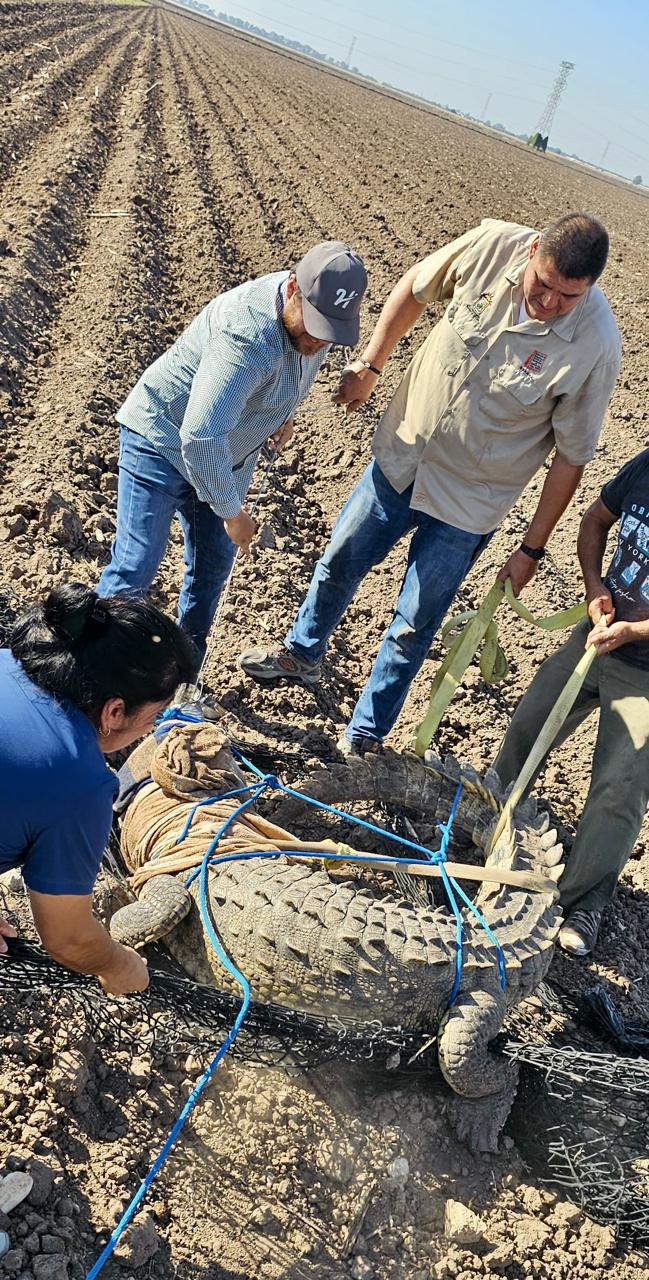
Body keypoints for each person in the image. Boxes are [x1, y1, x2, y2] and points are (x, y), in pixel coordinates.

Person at [239, 214, 621, 754]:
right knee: (339, 563)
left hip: (468, 504)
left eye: (569, 296)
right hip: (403, 454)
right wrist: (372, 364)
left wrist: (532, 548)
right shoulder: (491, 245)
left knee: (413, 625)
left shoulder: (596, 345)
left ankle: (365, 737)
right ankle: (300, 654)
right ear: (534, 249)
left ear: (590, 288)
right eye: (544, 283)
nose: (550, 302)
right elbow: (414, 287)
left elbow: (571, 457)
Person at [98, 242, 368, 659]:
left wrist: (282, 412)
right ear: (293, 288)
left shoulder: (315, 319)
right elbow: (201, 437)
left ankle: (183, 676)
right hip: (162, 437)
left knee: (211, 570)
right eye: (314, 325)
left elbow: (293, 366)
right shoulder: (248, 334)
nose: (319, 340)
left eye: (330, 331)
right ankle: (90, 674)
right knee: (136, 567)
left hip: (224, 453)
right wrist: (233, 514)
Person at [0, 583, 196, 992]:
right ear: (115, 710)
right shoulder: (80, 782)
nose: (152, 730)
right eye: (155, 716)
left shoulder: (7, 663)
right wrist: (119, 964)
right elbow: (68, 938)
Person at [493, 449, 649, 957]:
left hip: (644, 671)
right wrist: (595, 586)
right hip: (597, 634)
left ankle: (583, 901)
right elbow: (594, 520)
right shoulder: (646, 466)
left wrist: (636, 630)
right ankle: (485, 822)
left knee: (619, 785)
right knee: (531, 722)